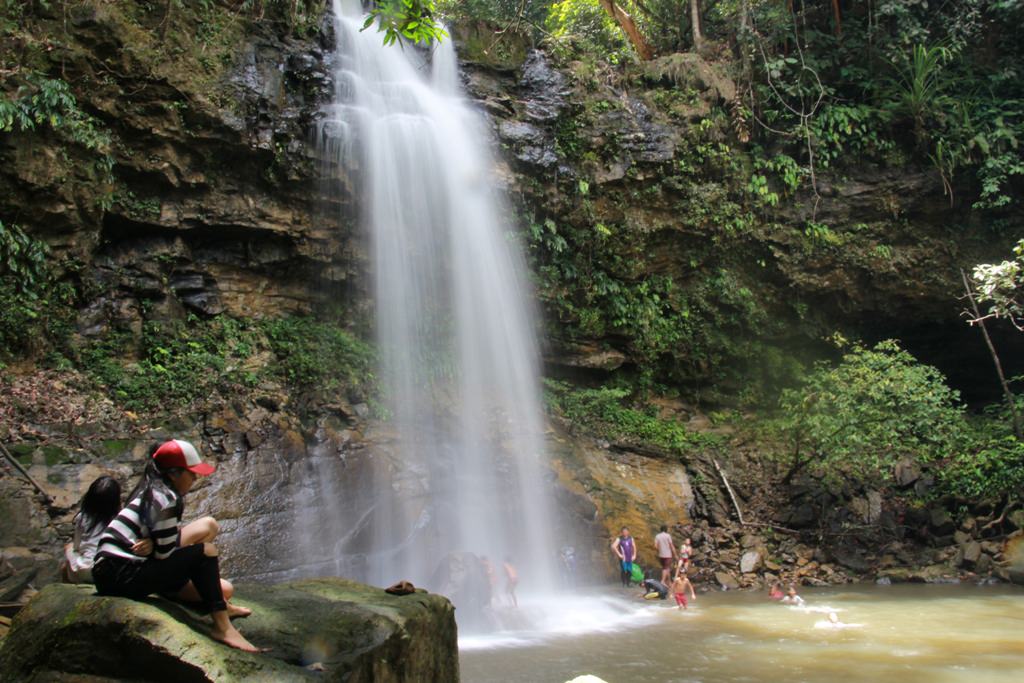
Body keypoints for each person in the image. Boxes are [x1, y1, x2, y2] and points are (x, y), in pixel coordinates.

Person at [92, 439, 261, 652]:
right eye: (191, 473)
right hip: (122, 575)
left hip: (111, 573)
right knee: (206, 552)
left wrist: (155, 545)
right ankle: (223, 627)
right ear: (173, 473)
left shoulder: (153, 491)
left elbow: (163, 549)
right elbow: (165, 555)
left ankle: (220, 608)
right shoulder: (166, 499)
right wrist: (160, 547)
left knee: (215, 577)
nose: (195, 478)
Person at [62, 476, 122, 584]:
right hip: (108, 572)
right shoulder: (120, 519)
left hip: (86, 570)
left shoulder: (83, 517)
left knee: (69, 548)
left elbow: (76, 547)